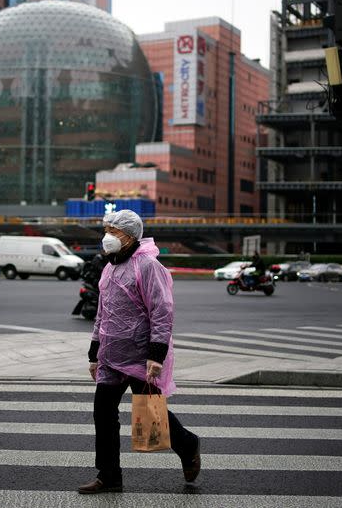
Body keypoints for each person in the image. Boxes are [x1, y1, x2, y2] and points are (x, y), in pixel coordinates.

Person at [78, 210, 201, 495]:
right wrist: (94, 352)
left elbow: (162, 311)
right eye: (105, 230)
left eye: (113, 231)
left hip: (139, 356)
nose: (107, 236)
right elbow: (102, 312)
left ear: (131, 236)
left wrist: (156, 355)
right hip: (110, 356)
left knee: (152, 415)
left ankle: (188, 445)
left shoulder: (146, 265)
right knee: (103, 414)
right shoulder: (109, 267)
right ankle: (108, 476)